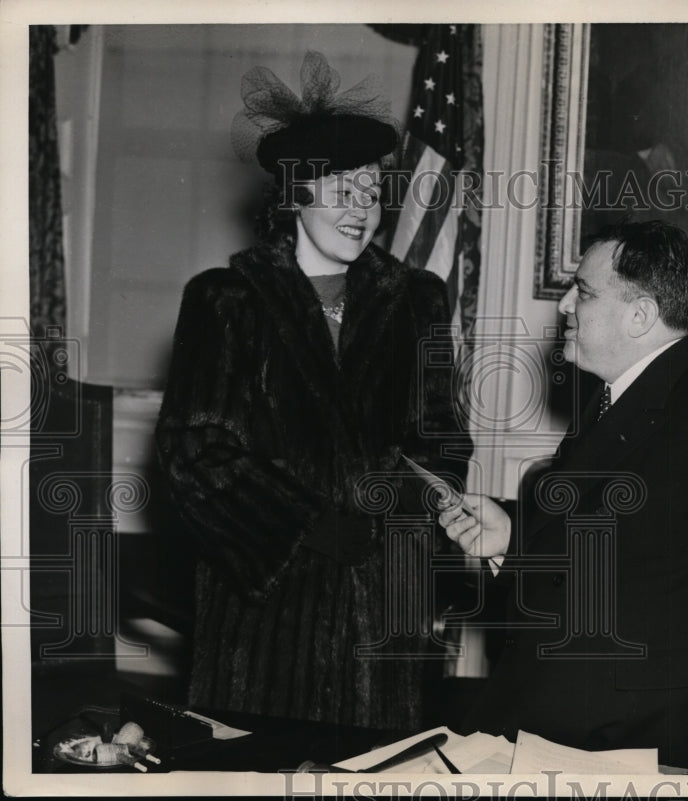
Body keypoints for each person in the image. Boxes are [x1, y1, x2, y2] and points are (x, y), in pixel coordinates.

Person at [440, 220, 688, 774]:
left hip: (647, 741)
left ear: (641, 315)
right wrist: (511, 531)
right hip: (555, 720)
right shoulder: (613, 401)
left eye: (582, 291)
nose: (563, 307)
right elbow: (626, 543)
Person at [156, 52, 471, 728]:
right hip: (265, 614)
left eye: (371, 189)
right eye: (341, 189)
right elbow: (195, 453)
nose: (362, 209)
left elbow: (442, 441)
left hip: (385, 614)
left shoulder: (417, 300)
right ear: (294, 194)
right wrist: (308, 526)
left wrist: (399, 515)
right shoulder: (227, 301)